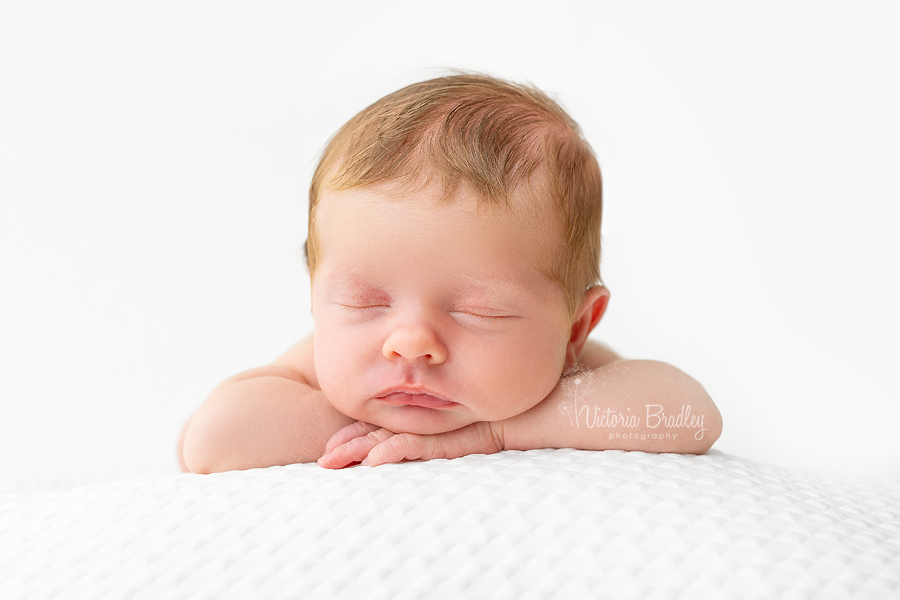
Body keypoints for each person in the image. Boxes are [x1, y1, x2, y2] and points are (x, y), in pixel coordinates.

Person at [179, 72, 723, 474]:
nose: (411, 343)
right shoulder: (318, 373)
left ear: (575, 328)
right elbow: (210, 440)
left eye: (477, 310)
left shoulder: (561, 369)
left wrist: (497, 430)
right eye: (364, 302)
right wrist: (372, 426)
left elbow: (689, 416)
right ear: (317, 299)